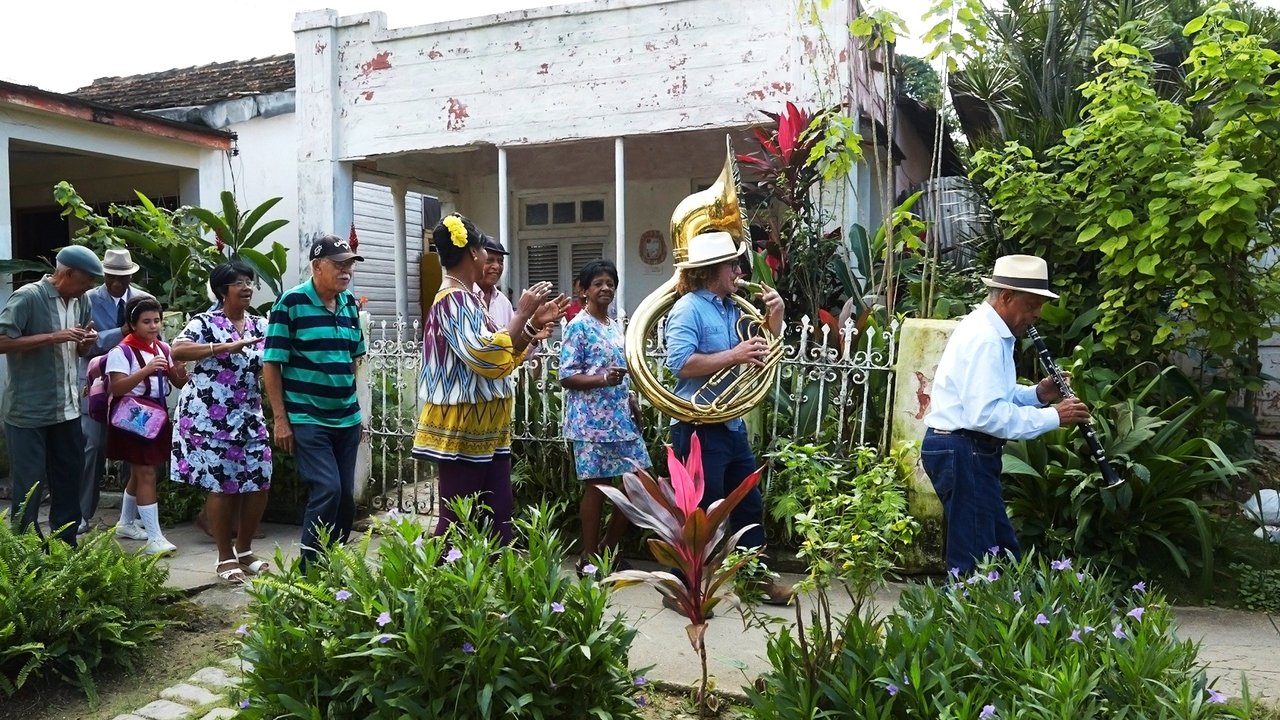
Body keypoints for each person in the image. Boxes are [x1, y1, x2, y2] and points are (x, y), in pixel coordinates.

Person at [921, 254, 1092, 575]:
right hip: (963, 449)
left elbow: (991, 396)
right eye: (1032, 305)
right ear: (1007, 297)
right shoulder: (986, 339)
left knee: (1001, 554)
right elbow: (986, 415)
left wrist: (1037, 395)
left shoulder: (992, 333)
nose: (1037, 314)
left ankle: (1001, 618)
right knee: (975, 563)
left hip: (966, 449)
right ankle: (963, 621)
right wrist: (1056, 416)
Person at [412, 212, 567, 543]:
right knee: (457, 522)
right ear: (472, 254)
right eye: (484, 250)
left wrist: (530, 326)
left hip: (489, 428)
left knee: (499, 520)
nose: (489, 258)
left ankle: (499, 589)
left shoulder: (468, 300)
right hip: (464, 429)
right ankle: (437, 588)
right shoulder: (451, 301)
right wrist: (523, 314)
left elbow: (506, 355)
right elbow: (487, 357)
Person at [664, 231, 793, 606]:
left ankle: (757, 579)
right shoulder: (688, 308)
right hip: (698, 424)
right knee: (701, 513)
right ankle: (683, 588)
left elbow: (761, 351)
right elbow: (680, 364)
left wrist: (776, 319)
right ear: (710, 270)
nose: (739, 271)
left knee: (749, 504)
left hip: (730, 422)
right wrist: (733, 355)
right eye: (731, 265)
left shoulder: (733, 306)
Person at [264, 235, 368, 567]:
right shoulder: (290, 303)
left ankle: (331, 565)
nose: (346, 271)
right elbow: (272, 363)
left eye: (349, 265)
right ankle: (309, 573)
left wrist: (355, 408)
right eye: (339, 265)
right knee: (327, 489)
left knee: (345, 503)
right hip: (308, 417)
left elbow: (354, 359)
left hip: (346, 419)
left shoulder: (349, 303)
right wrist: (281, 419)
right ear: (317, 266)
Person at [171, 261, 271, 583]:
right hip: (208, 417)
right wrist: (222, 347)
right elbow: (178, 351)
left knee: (259, 480)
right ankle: (224, 556)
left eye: (249, 282)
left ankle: (245, 550)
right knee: (223, 484)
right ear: (221, 290)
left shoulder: (260, 325)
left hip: (248, 414)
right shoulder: (205, 322)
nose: (246, 287)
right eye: (238, 282)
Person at [0, 245, 102, 545]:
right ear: (67, 273)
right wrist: (53, 337)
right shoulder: (28, 297)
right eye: (87, 279)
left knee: (68, 481)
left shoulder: (82, 301)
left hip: (68, 409)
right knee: (30, 486)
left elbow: (81, 348)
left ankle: (64, 548)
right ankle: (26, 551)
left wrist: (86, 342)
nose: (91, 287)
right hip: (29, 411)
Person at [559, 259, 648, 573]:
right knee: (597, 487)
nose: (605, 288)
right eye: (598, 283)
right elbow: (567, 375)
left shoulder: (614, 326)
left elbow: (620, 370)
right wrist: (601, 380)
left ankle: (608, 548)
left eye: (610, 283)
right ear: (584, 290)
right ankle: (588, 557)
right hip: (590, 422)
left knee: (638, 482)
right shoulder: (577, 326)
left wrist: (632, 398)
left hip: (620, 416)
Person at [105, 296, 188, 555]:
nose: (153, 326)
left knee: (141, 471)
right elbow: (117, 387)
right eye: (146, 322)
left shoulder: (163, 348)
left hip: (157, 415)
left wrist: (181, 369)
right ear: (132, 324)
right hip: (133, 417)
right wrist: (147, 369)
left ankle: (126, 523)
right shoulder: (121, 351)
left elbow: (179, 384)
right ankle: (154, 538)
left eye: (157, 321)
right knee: (147, 473)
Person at [80, 247, 153, 538]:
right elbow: (87, 344)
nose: (116, 282)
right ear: (104, 274)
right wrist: (122, 332)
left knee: (132, 451)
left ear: (130, 276)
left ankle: (130, 518)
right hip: (98, 387)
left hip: (133, 386)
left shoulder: (143, 300)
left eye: (122, 277)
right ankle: (82, 514)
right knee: (93, 448)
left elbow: (150, 339)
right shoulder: (87, 300)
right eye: (112, 276)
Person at [476, 235, 514, 327]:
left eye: (500, 261)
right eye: (489, 260)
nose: (496, 266)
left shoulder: (504, 303)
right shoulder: (464, 297)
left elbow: (513, 339)